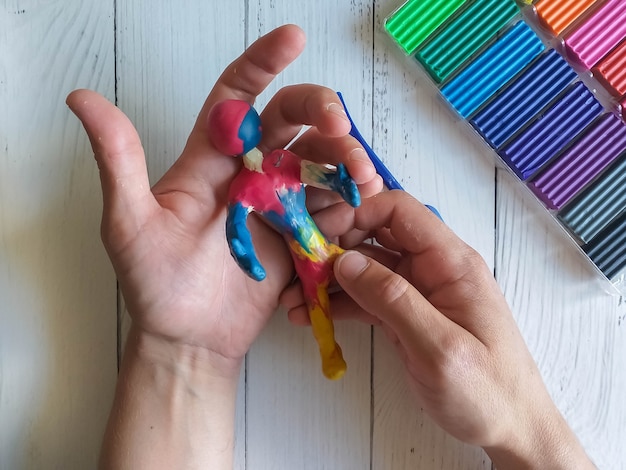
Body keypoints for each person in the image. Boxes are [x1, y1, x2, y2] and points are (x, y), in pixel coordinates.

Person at [67, 24, 596, 470]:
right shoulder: (254, 182)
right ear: (246, 133)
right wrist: (187, 345)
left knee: (334, 288)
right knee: (324, 299)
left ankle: (329, 345)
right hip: (311, 254)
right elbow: (238, 228)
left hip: (321, 248)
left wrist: (527, 430)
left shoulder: (264, 176)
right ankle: (330, 348)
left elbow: (311, 180)